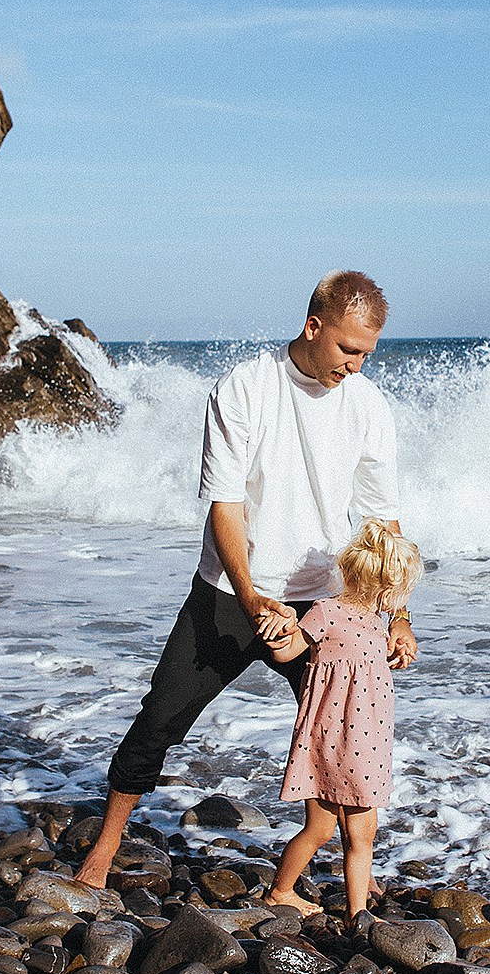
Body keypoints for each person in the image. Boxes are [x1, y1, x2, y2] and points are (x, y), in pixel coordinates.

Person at [72, 271, 417, 889]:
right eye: (347, 349)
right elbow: (226, 505)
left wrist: (398, 614)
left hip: (324, 601)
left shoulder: (368, 405)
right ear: (313, 326)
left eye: (367, 353)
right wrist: (252, 593)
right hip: (231, 594)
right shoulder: (246, 388)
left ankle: (345, 875)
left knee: (343, 735)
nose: (356, 365)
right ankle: (106, 845)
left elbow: (381, 522)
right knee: (161, 715)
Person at [262, 519, 421, 921]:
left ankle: (304, 897)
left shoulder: (374, 623)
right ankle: (340, 909)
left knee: (329, 831)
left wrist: (395, 655)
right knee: (353, 835)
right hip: (345, 746)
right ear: (387, 590)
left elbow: (365, 670)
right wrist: (278, 632)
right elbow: (286, 653)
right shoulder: (325, 613)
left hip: (345, 743)